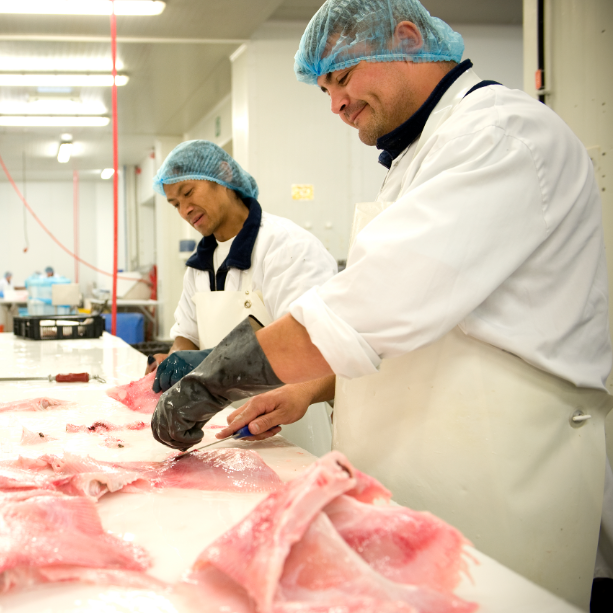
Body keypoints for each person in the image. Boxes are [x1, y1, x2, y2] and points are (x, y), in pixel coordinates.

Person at [150, 0, 612, 608]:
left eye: (342, 78)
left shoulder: (500, 134)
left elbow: (376, 305)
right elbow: (414, 333)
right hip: (422, 471)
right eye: (325, 90)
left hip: (503, 482)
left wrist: (213, 380)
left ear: (408, 38)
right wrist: (309, 391)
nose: (336, 104)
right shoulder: (421, 154)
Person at [145, 140, 337, 416]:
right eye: (175, 204)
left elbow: (313, 344)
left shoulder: (287, 246)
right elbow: (187, 335)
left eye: (188, 192)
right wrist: (175, 359)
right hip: (218, 421)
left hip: (290, 423)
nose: (184, 210)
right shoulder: (199, 265)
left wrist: (212, 361)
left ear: (223, 174)